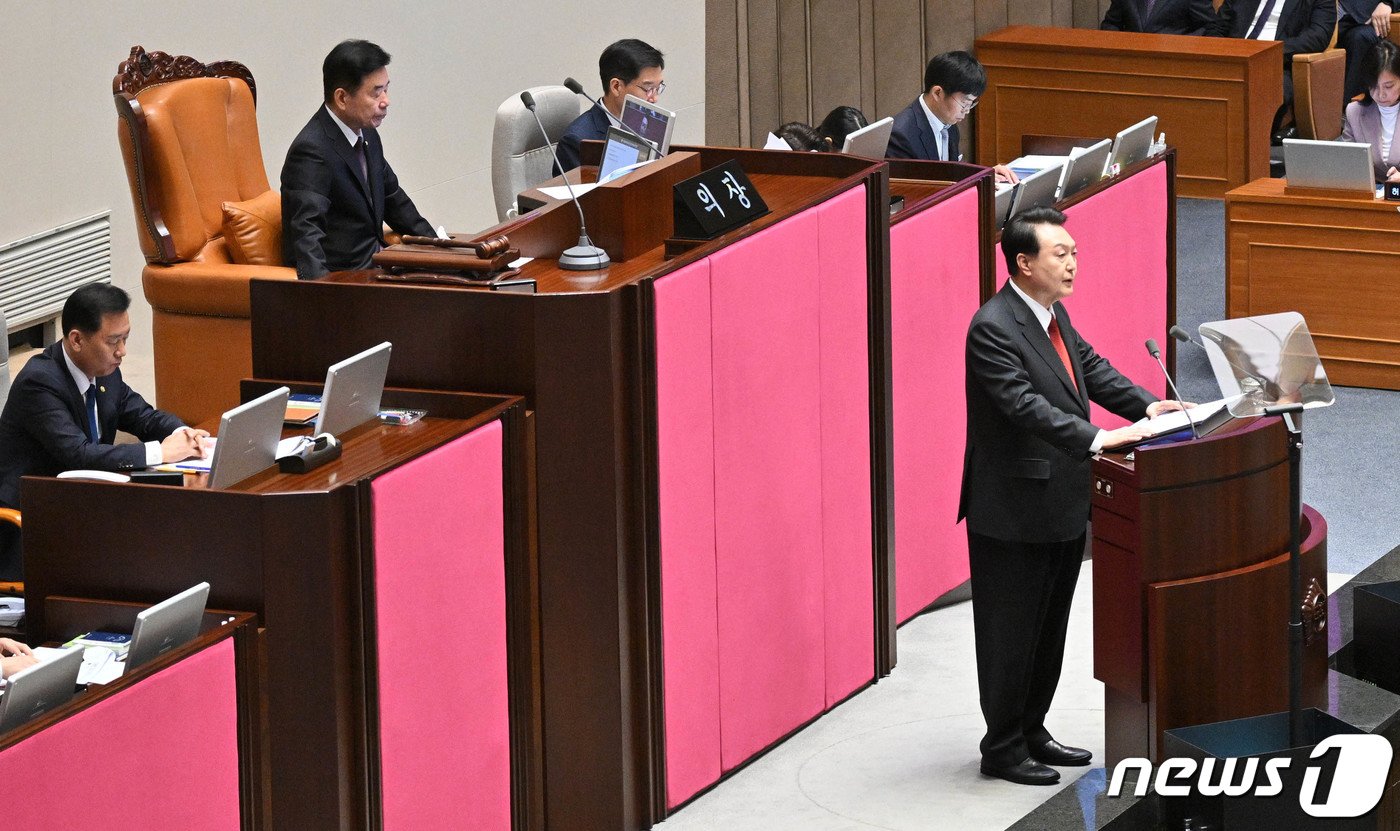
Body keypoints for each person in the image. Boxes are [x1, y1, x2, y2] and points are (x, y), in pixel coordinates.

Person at [958, 207, 1188, 786]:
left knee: (1048, 627)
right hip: (1011, 510)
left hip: (1060, 502)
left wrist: (1144, 405)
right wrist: (1100, 437)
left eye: (1075, 252)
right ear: (1023, 261)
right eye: (1060, 253)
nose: (1072, 263)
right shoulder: (993, 327)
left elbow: (1090, 369)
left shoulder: (1051, 317)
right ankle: (1003, 746)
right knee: (1010, 632)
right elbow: (1021, 406)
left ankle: (1031, 727)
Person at [0, 284, 207, 580]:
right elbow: (79, 455)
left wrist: (184, 432)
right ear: (76, 340)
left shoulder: (105, 372)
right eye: (113, 341)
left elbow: (144, 416)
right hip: (31, 526)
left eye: (125, 339)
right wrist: (161, 451)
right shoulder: (39, 383)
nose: (122, 351)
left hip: (86, 507)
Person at [281, 39, 436, 279]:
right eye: (376, 93)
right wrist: (321, 298)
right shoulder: (311, 151)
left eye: (386, 89)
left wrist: (443, 253)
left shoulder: (368, 135)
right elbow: (307, 235)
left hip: (381, 268)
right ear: (342, 98)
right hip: (350, 282)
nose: (386, 101)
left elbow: (396, 202)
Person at [1207, 0, 1337, 138]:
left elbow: (1318, 36)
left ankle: (1250, 148)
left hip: (1278, 64)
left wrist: (1270, 52)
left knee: (1264, 91)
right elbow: (1217, 27)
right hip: (1234, 60)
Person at [887, 51, 1019, 183]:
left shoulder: (948, 122)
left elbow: (951, 175)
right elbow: (914, 192)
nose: (966, 111)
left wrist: (984, 175)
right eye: (964, 103)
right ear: (938, 93)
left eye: (971, 104)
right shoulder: (900, 136)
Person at [555, 39, 666, 175]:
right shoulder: (578, 141)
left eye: (658, 87)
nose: (654, 99)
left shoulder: (647, 125)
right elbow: (583, 196)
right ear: (616, 87)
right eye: (648, 88)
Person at [1341, 39, 1400, 182]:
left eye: (1388, 86)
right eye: (1373, 86)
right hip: (1371, 194)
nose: (1380, 94)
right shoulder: (1354, 112)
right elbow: (1345, 161)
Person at [1339, 1, 1395, 101]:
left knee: (1361, 37)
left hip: (1364, 19)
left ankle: (1348, 108)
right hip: (1321, 13)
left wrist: (1388, 3)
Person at [1100, 0, 1217, 34]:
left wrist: (1182, 46)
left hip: (1173, 70)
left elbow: (1209, 27)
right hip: (1131, 68)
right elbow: (1111, 24)